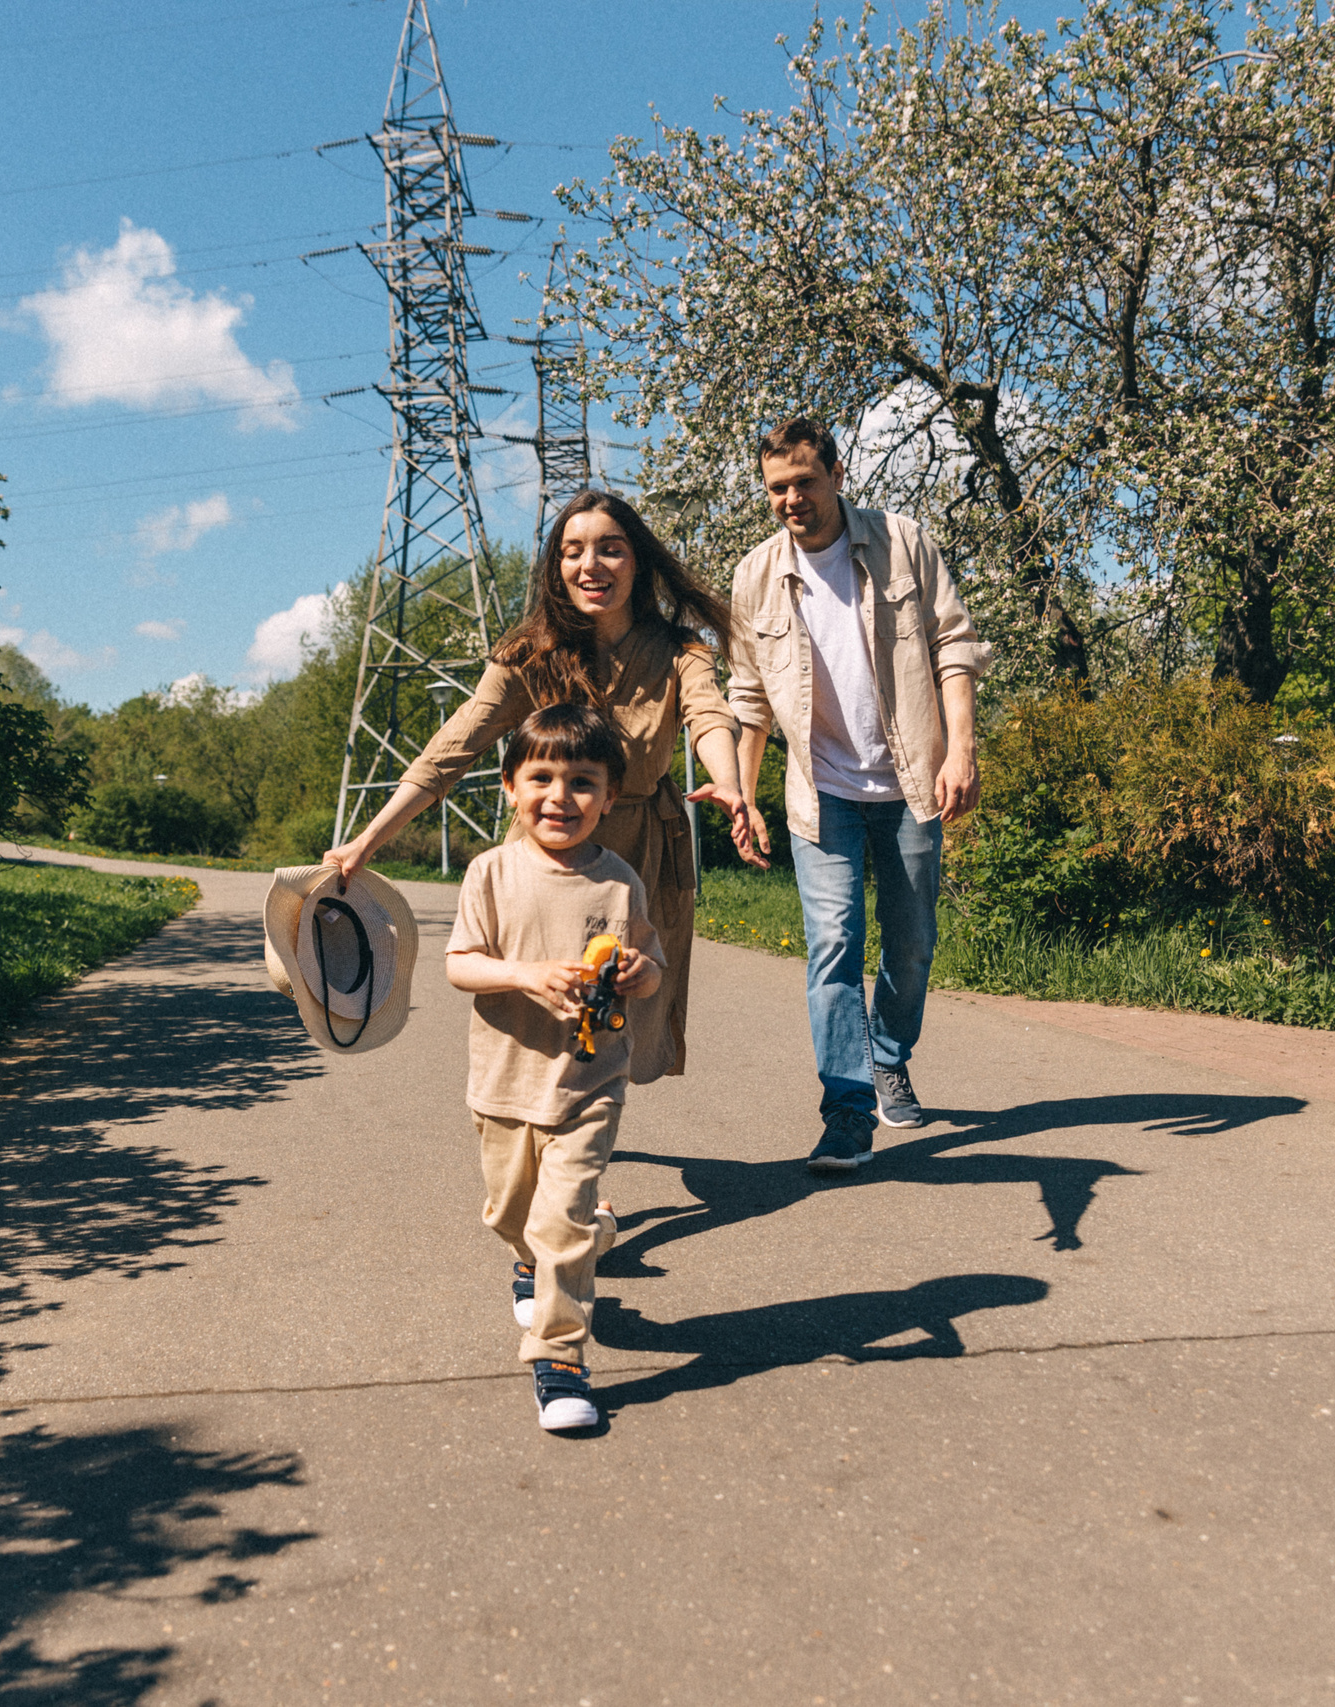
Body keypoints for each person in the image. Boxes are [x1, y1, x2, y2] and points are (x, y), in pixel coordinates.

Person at [325, 490, 752, 1085]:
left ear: (638, 561)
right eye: (573, 552)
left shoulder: (680, 650)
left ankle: (583, 1117)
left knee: (625, 1001)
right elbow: (451, 748)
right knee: (539, 995)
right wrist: (366, 841)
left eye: (611, 549)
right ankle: (543, 1121)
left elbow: (710, 715)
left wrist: (728, 782)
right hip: (545, 851)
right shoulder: (529, 655)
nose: (591, 566)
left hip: (643, 848)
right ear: (556, 567)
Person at [726, 418, 992, 1175]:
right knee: (833, 943)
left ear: (838, 473)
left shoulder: (903, 541)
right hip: (823, 790)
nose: (791, 500)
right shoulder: (755, 575)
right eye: (777, 488)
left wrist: (962, 748)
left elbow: (954, 644)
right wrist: (743, 797)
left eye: (804, 482)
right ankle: (846, 1112)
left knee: (911, 943)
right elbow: (747, 697)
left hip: (911, 780)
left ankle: (887, 1054)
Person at [445, 702, 664, 1431]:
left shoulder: (619, 881)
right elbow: (460, 965)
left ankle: (559, 1358)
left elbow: (651, 960)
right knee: (513, 1213)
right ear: (510, 785)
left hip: (589, 1081)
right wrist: (524, 974)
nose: (559, 797)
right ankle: (551, 1250)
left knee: (560, 1217)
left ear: (607, 797)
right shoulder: (491, 871)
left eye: (582, 782)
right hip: (505, 1081)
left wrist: (640, 972)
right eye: (541, 776)